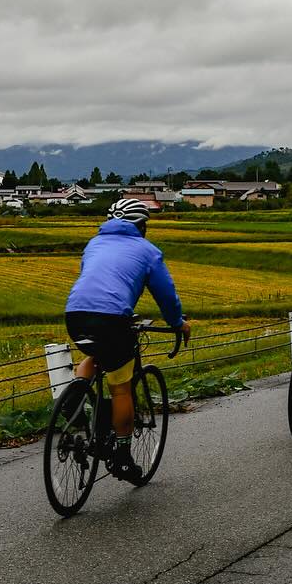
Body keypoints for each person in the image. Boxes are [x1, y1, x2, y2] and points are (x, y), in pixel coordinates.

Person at [64, 198, 191, 482]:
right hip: (112, 319)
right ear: (141, 225)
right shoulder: (147, 250)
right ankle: (122, 456)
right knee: (120, 388)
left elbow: (95, 278)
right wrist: (178, 323)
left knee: (98, 354)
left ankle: (76, 391)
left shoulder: (94, 243)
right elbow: (166, 295)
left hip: (75, 314)